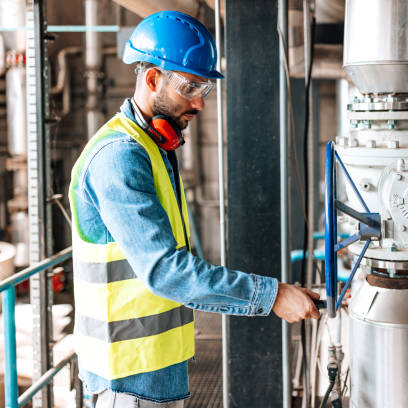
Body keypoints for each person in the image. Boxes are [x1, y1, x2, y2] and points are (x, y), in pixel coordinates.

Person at [68, 10, 320, 408]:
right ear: (152, 79)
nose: (200, 103)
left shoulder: (153, 148)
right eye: (190, 87)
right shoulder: (120, 157)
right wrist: (271, 296)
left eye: (205, 89)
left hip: (155, 373)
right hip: (129, 378)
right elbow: (165, 272)